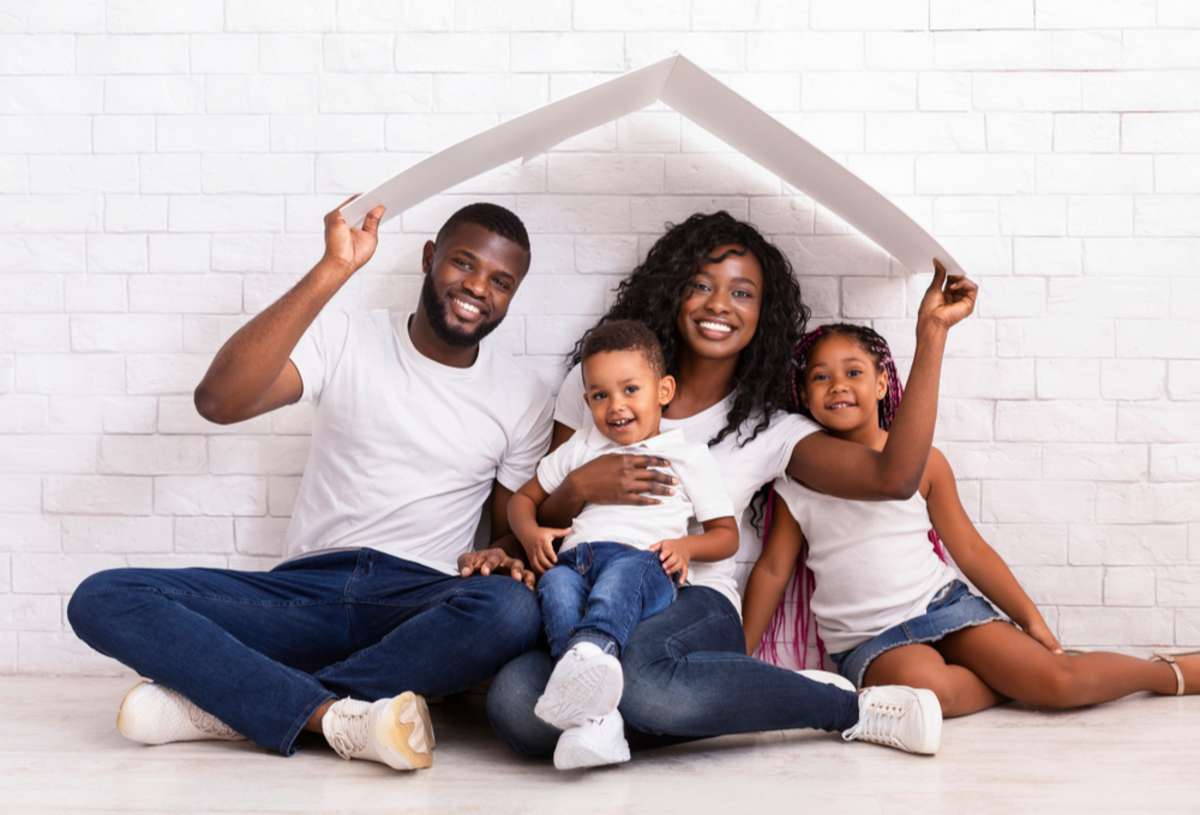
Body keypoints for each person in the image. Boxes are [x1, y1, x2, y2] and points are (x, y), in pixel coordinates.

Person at [67, 198, 554, 772]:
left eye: (500, 281)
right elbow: (219, 401)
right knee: (103, 597)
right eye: (463, 264)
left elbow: (502, 536)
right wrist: (333, 271)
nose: (477, 288)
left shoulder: (523, 395)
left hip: (412, 605)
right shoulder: (349, 335)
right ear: (429, 258)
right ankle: (331, 713)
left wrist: (501, 556)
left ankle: (235, 709)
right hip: (302, 595)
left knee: (511, 610)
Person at [482, 211, 978, 765]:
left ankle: (845, 706)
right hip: (592, 585)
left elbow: (895, 478)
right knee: (515, 705)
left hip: (694, 599)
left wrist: (931, 336)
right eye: (700, 286)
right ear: (673, 293)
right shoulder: (602, 380)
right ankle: (670, 710)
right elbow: (544, 506)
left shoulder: (772, 429)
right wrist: (579, 487)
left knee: (646, 682)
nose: (719, 304)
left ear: (762, 315)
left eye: (742, 293)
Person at [745, 322, 1200, 715]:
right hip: (870, 638)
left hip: (942, 607)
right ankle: (1019, 683)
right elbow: (772, 569)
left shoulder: (925, 463)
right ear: (803, 395)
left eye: (854, 373)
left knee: (1059, 683)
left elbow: (970, 549)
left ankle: (1165, 673)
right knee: (929, 691)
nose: (838, 385)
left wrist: (1030, 619)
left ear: (882, 383)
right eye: (820, 377)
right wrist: (738, 657)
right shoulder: (796, 477)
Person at [509, 319, 737, 769]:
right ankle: (585, 698)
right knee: (553, 585)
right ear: (587, 400)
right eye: (600, 395)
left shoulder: (686, 455)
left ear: (664, 390)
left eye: (631, 390)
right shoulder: (582, 447)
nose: (616, 406)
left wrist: (687, 549)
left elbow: (726, 534)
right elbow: (523, 499)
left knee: (621, 576)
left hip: (644, 565)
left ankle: (591, 653)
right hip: (577, 561)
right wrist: (530, 533)